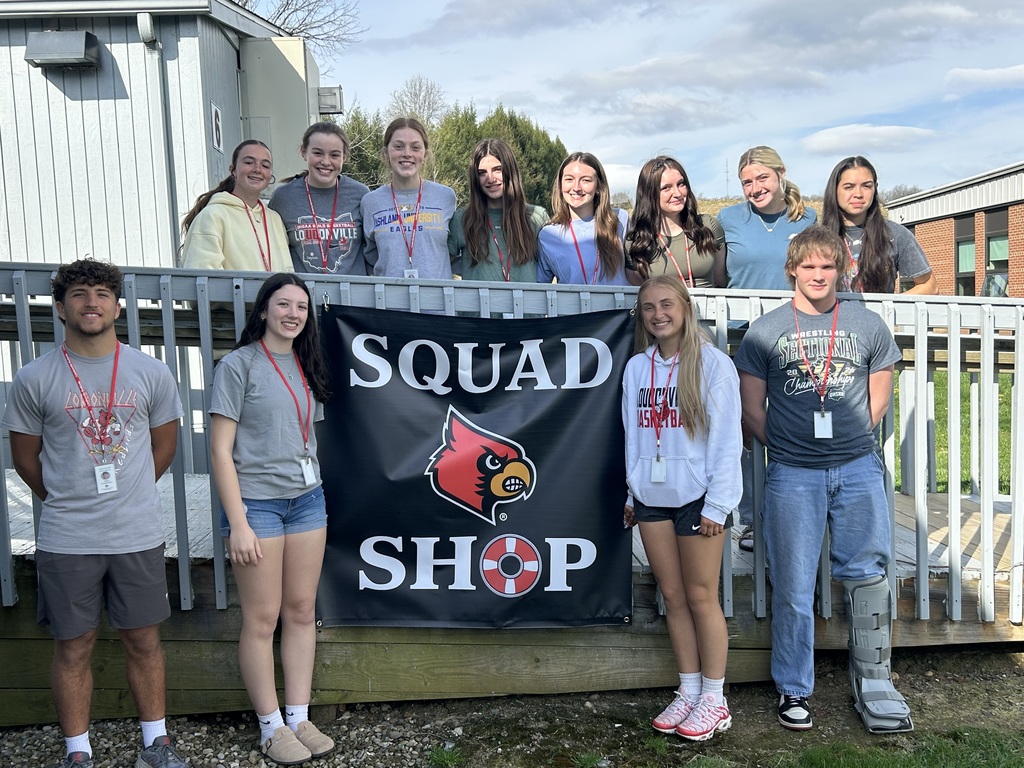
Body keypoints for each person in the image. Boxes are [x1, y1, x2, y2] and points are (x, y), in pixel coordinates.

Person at [2, 260, 186, 768]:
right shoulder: (35, 377)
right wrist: (67, 496)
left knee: (145, 640)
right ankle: (78, 753)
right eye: (79, 293)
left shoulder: (150, 372)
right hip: (68, 538)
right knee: (73, 645)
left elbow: (163, 448)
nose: (92, 302)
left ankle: (156, 743)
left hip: (136, 533)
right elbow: (24, 459)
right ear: (60, 307)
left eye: (103, 293)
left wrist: (124, 494)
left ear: (118, 306)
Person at [734, 226, 913, 734]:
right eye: (808, 266)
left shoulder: (865, 323)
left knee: (867, 573)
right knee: (792, 583)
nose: (817, 274)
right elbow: (752, 409)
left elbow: (880, 397)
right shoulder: (765, 331)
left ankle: (874, 682)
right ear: (792, 269)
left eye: (827, 266)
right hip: (792, 473)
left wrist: (851, 440)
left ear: (841, 270)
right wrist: (789, 448)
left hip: (857, 467)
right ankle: (794, 689)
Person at [209, 273, 335, 765]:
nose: (293, 313)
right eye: (283, 304)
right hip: (257, 505)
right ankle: (269, 726)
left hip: (307, 500)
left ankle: (299, 716)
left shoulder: (307, 364)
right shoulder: (238, 365)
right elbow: (219, 450)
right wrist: (237, 521)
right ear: (263, 310)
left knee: (301, 611)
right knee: (262, 619)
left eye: (301, 307)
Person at [622, 275, 742, 741]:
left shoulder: (713, 365)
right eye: (648, 307)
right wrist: (633, 493)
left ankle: (715, 698)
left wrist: (719, 503)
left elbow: (727, 441)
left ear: (686, 307)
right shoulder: (637, 369)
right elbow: (633, 437)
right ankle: (688, 690)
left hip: (699, 500)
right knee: (671, 597)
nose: (658, 315)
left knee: (700, 597)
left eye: (666, 304)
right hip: (652, 499)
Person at [716, 146, 817, 552]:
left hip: (794, 335)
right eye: (747, 182)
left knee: (792, 423)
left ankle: (794, 514)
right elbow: (721, 275)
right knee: (748, 427)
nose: (755, 187)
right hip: (744, 336)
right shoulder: (728, 219)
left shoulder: (807, 218)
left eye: (762, 178)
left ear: (780, 174)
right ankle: (753, 519)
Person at [821, 156, 937, 294]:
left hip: (879, 315)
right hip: (833, 315)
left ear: (875, 189)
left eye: (866, 186)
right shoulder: (816, 238)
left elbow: (930, 285)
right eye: (849, 187)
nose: (858, 194)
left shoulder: (895, 234)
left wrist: (891, 306)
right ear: (834, 190)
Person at [361, 117, 457, 279]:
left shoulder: (446, 197)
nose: (407, 154)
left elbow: (453, 251)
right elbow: (370, 256)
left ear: (424, 154)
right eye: (398, 147)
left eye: (415, 147)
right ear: (386, 153)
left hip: (437, 301)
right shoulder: (370, 202)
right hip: (387, 301)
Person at [269, 122, 370, 275]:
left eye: (334, 155)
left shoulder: (361, 194)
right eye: (318, 153)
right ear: (304, 152)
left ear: (344, 157)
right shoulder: (283, 197)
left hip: (353, 296)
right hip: (303, 296)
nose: (326, 162)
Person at [180, 140, 292, 273]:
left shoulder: (275, 219)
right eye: (249, 162)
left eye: (265, 165)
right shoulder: (212, 216)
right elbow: (204, 277)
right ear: (233, 170)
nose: (257, 169)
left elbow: (288, 271)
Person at [448, 138, 548, 283]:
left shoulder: (537, 217)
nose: (490, 179)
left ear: (510, 170)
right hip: (479, 305)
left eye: (497, 170)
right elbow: (437, 265)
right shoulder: (462, 219)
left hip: (527, 305)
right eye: (482, 173)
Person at [626, 156, 725, 287]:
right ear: (649, 193)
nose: (677, 193)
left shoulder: (708, 226)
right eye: (666, 188)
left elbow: (721, 281)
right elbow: (639, 290)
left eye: (681, 184)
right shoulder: (637, 242)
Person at [537, 152, 631, 286]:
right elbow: (541, 288)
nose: (576, 188)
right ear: (560, 185)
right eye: (569, 179)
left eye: (585, 180)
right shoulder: (547, 235)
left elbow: (639, 274)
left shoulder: (620, 219)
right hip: (573, 307)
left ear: (598, 186)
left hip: (620, 307)